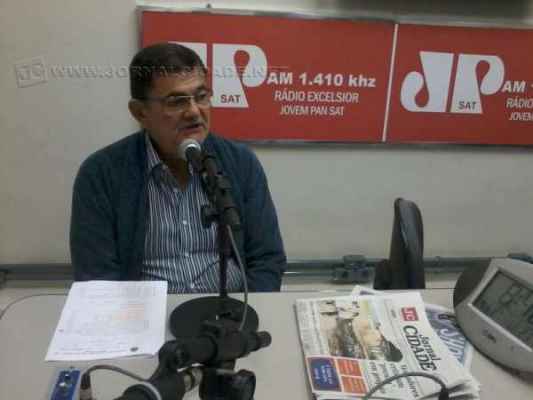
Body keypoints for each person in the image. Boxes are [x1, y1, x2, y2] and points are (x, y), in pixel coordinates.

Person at [70, 42, 286, 293]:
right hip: (145, 313)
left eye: (201, 96)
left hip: (232, 307)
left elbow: (267, 259)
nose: (194, 112)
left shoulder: (240, 162)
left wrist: (249, 310)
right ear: (140, 112)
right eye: (176, 101)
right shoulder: (101, 174)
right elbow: (96, 276)